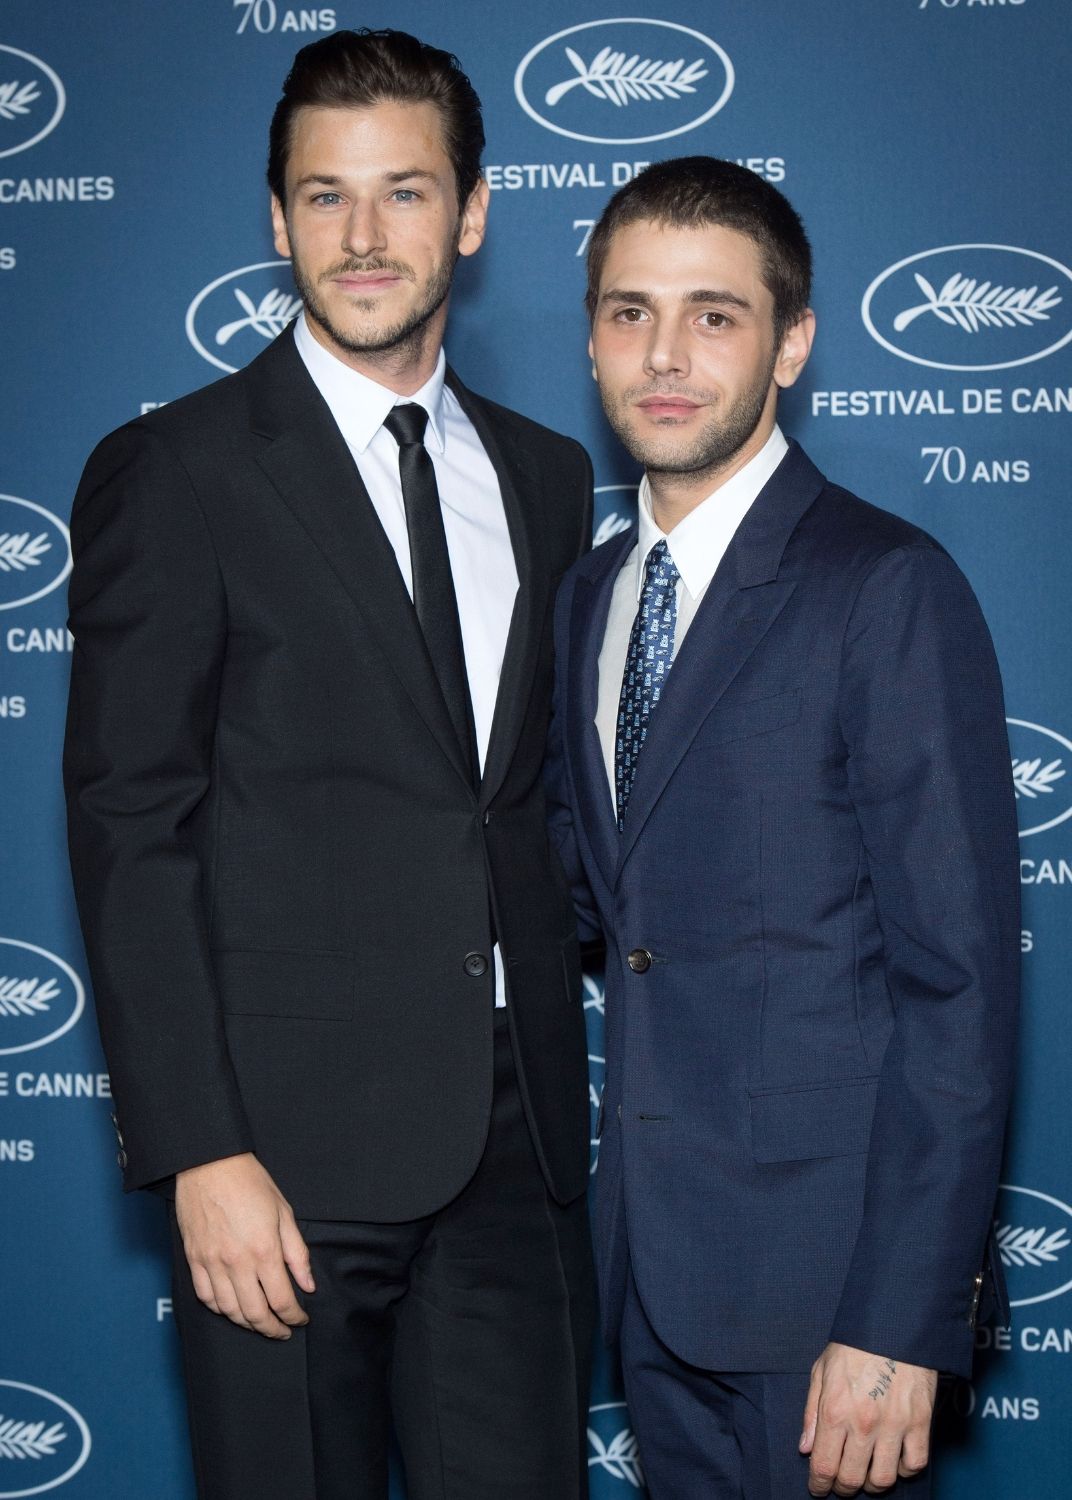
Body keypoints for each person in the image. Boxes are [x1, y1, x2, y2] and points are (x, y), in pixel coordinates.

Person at [64, 28, 594, 1500]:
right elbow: (130, 824)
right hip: (279, 1153)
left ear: (473, 214)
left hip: (521, 1144)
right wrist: (200, 1153)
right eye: (323, 197)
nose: (363, 239)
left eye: (406, 193)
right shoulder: (177, 469)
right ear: (276, 218)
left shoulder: (548, 476)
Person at [546, 156, 1019, 1499]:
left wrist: (896, 1319)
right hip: (651, 1277)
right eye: (631, 312)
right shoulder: (591, 599)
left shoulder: (886, 585)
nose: (668, 355)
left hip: (828, 1304)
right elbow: (593, 905)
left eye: (716, 314)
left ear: (792, 343)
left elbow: (960, 983)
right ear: (591, 339)